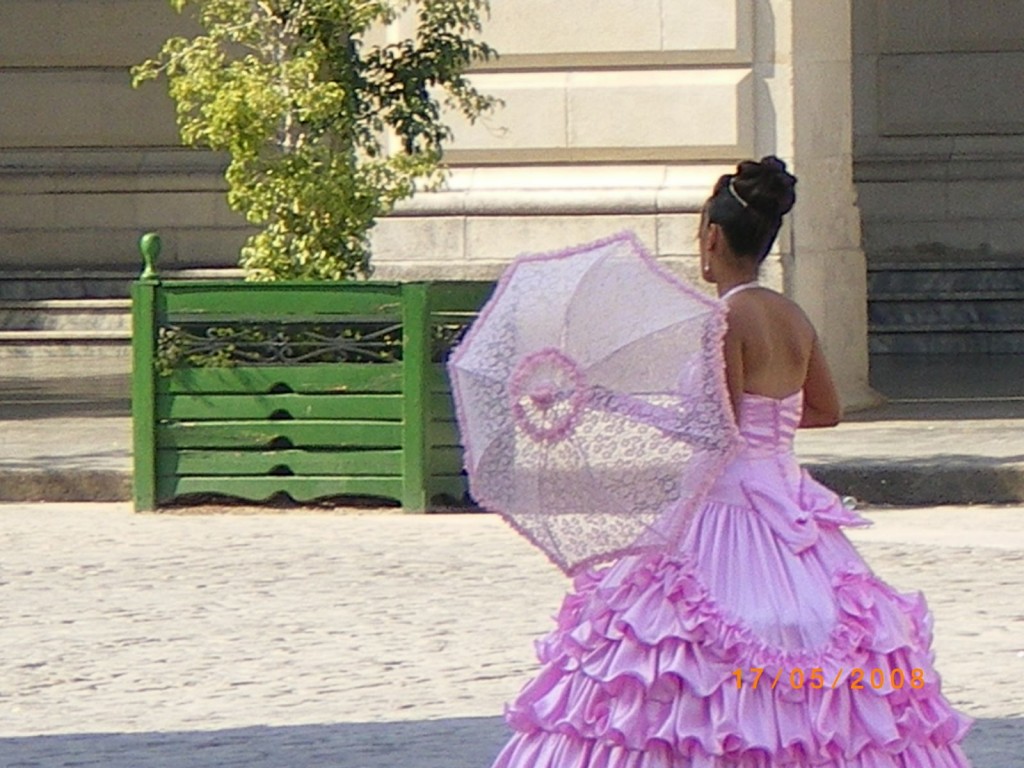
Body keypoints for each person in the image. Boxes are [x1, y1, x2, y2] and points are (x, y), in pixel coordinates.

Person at [488, 157, 974, 767]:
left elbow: (714, 430)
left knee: (672, 654)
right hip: (791, 511)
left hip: (722, 512)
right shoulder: (792, 316)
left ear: (712, 237)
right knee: (828, 648)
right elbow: (823, 410)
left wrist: (608, 401)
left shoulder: (726, 319)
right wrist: (768, 433)